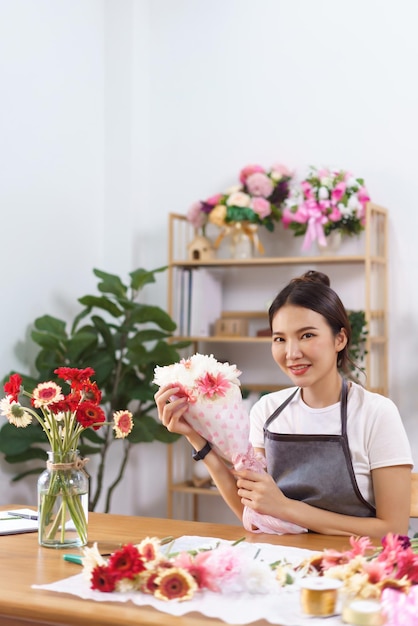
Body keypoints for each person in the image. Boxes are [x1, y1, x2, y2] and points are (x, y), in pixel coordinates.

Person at [155, 270, 413, 536]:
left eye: (307, 335)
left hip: (357, 568)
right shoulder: (267, 411)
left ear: (340, 339)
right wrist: (195, 437)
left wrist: (286, 508)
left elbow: (393, 530)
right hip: (286, 562)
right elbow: (254, 513)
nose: (292, 353)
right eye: (280, 339)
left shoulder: (375, 413)